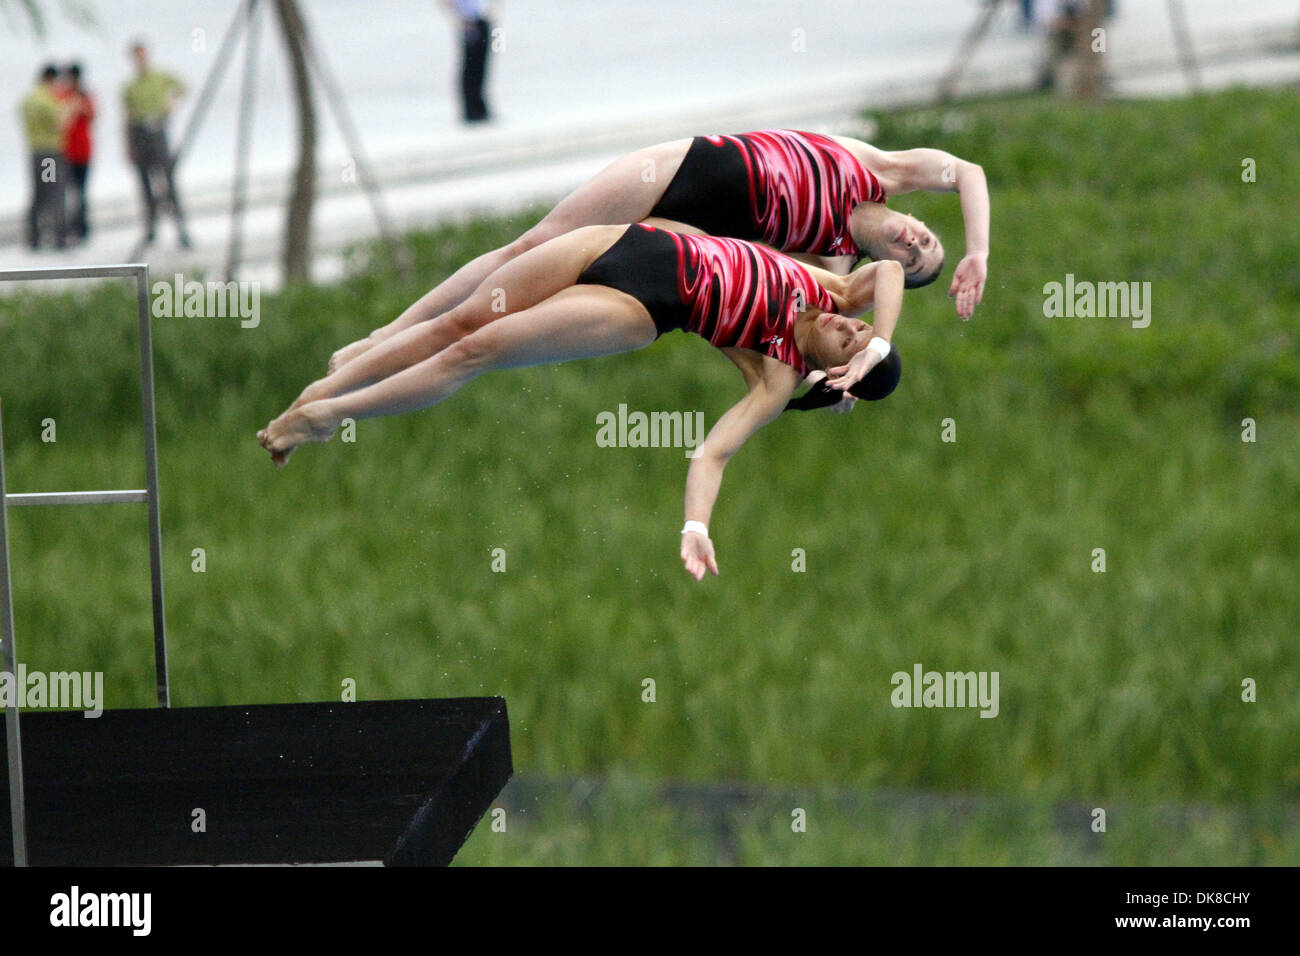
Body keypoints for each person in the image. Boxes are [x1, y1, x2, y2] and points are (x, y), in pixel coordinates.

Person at [258, 223, 906, 579]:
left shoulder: (776, 376)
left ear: (830, 377)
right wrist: (881, 344)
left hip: (635, 307)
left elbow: (711, 456)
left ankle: (329, 416)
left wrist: (696, 527)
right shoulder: (834, 284)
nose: (852, 329)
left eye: (852, 347)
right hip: (624, 241)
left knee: (472, 351)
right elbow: (894, 270)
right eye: (862, 331)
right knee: (453, 323)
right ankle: (318, 392)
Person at [327, 127, 988, 373]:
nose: (914, 244)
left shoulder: (834, 263)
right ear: (913, 213)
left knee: (542, 285)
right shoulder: (886, 167)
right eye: (926, 237)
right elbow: (971, 174)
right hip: (680, 169)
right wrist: (976, 252)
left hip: (688, 234)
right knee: (530, 243)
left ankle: (392, 357)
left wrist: (839, 377)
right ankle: (386, 334)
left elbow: (803, 329)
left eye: (914, 261)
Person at [122, 40, 191, 248]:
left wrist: (170, 104)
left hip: (158, 130)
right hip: (140, 134)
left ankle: (181, 228)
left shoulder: (161, 77)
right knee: (146, 185)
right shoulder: (130, 86)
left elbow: (183, 88)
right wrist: (129, 146)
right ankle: (151, 229)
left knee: (168, 181)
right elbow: (128, 117)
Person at [18, 64, 67, 250]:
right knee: (54, 194)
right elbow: (57, 124)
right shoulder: (48, 99)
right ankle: (58, 236)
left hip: (35, 152)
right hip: (50, 154)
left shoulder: (28, 99)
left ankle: (33, 237)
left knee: (38, 194)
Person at [58, 63, 95, 243]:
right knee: (67, 191)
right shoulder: (62, 96)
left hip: (84, 150)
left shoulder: (85, 95)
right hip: (67, 152)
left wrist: (80, 105)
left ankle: (82, 226)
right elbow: (61, 121)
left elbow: (92, 115)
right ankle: (68, 226)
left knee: (81, 190)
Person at [441, 0, 495, 123]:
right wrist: (459, 20)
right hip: (468, 23)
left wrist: (491, 12)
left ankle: (481, 108)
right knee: (470, 66)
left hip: (482, 20)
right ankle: (470, 110)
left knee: (480, 65)